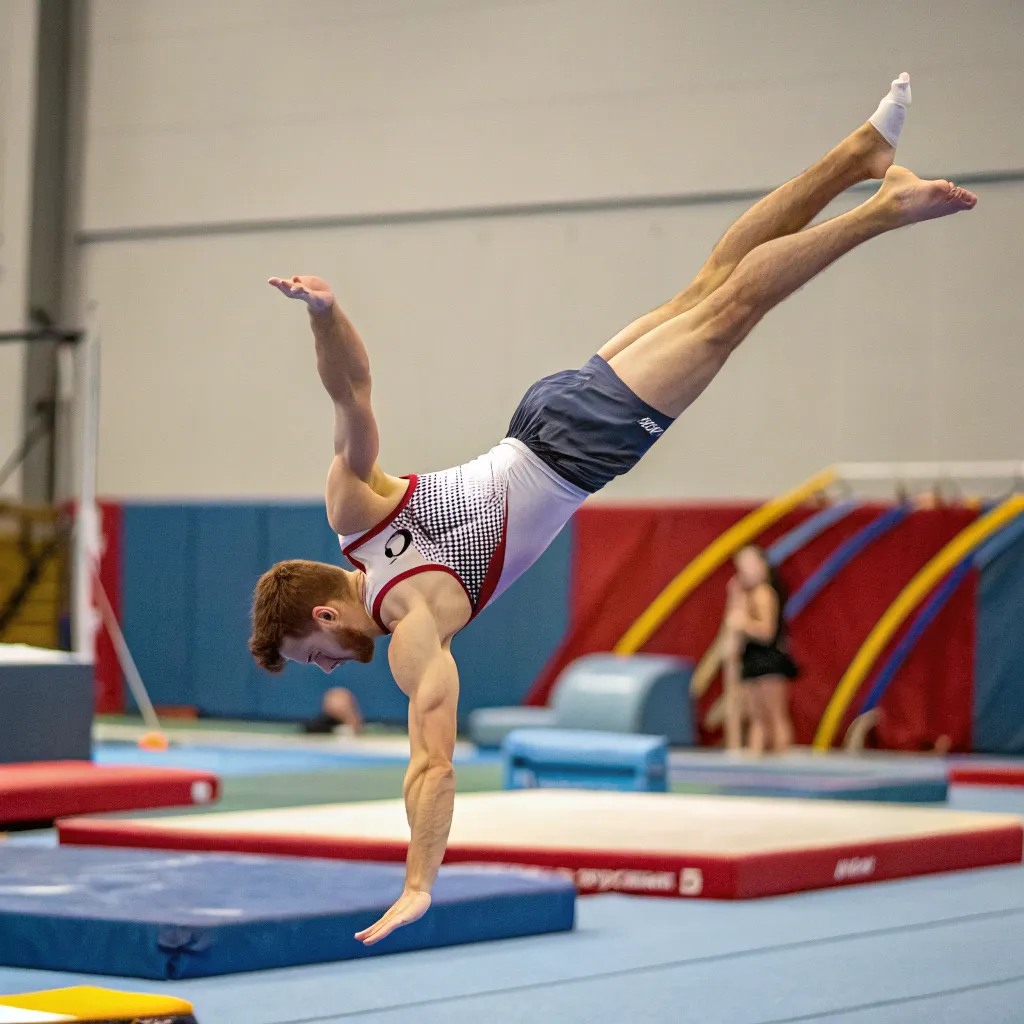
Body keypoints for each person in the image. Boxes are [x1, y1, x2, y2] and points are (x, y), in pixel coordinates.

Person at [249, 73, 976, 944]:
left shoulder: (413, 632)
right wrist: (326, 313)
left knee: (730, 312)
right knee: (707, 286)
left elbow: (430, 766)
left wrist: (418, 880)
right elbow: (352, 390)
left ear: (326, 612)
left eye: (314, 653)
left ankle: (881, 208)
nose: (328, 668)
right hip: (540, 414)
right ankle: (857, 157)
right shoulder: (351, 512)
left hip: (576, 451)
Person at [724, 545, 799, 754]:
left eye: (749, 565)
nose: (744, 571)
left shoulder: (764, 593)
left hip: (768, 657)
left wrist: (744, 622)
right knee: (756, 717)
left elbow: (767, 631)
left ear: (762, 566)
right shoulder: (746, 594)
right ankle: (755, 756)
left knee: (774, 714)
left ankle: (782, 756)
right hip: (752, 657)